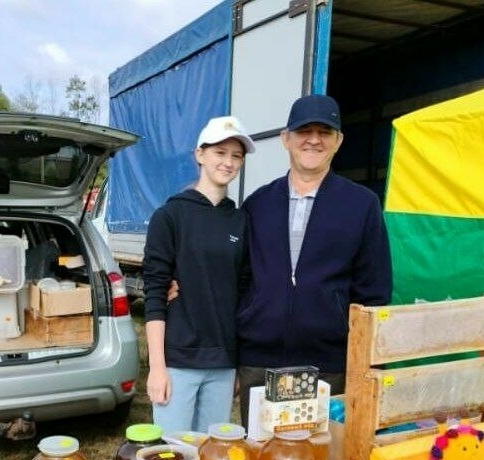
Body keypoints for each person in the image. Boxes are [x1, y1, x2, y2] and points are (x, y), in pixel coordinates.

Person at [237, 94, 393, 428]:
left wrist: (365, 364)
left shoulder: (361, 205)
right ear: (286, 139)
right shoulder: (257, 204)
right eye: (304, 130)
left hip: (328, 364)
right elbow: (236, 277)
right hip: (259, 359)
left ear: (338, 141)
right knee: (259, 453)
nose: (313, 139)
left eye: (325, 131)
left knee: (319, 457)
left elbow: (375, 290)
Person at [143, 116, 255, 433]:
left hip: (222, 364)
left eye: (236, 155)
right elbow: (155, 294)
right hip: (178, 362)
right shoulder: (170, 216)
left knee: (212, 458)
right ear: (200, 154)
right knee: (172, 459)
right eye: (220, 152)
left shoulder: (240, 221)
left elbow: (243, 294)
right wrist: (157, 368)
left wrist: (236, 365)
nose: (228, 162)